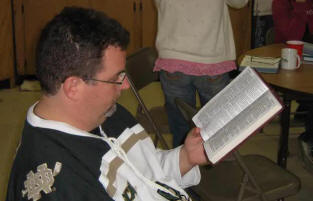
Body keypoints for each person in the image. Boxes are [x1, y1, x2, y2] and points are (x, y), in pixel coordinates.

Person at [6, 7, 208, 201]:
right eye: (116, 77)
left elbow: (145, 175)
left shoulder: (103, 111)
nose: (126, 85)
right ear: (74, 87)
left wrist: (185, 157)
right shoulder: (61, 185)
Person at [153, 0, 249, 147]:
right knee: (216, 129)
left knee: (181, 128)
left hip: (174, 59)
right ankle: (216, 165)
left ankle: (183, 166)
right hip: (211, 59)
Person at [272, 0, 313, 157]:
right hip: (288, 62)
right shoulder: (280, 3)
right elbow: (291, 36)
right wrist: (302, 7)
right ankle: (309, 137)